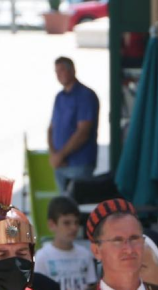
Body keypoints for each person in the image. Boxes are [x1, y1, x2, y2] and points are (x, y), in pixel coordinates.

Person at [49, 56, 99, 191]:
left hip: (79, 164)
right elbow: (51, 128)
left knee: (75, 206)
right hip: (60, 165)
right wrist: (54, 155)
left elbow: (83, 132)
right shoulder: (59, 97)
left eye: (62, 70)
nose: (59, 74)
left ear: (72, 70)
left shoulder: (85, 95)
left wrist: (61, 155)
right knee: (63, 207)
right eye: (56, 71)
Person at [34, 195, 96, 290]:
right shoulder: (42, 256)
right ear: (52, 225)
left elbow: (92, 288)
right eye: (67, 223)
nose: (74, 228)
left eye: (76, 222)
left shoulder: (85, 254)